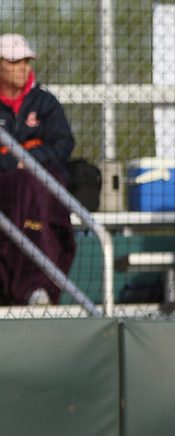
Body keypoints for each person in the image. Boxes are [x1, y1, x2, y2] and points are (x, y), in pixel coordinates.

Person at [0, 33, 75, 306]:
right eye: (15, 62)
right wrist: (14, 163)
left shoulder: (45, 102)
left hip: (42, 186)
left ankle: (39, 288)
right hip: (6, 187)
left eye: (26, 62)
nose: (23, 68)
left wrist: (27, 158)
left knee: (37, 190)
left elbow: (63, 144)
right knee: (21, 185)